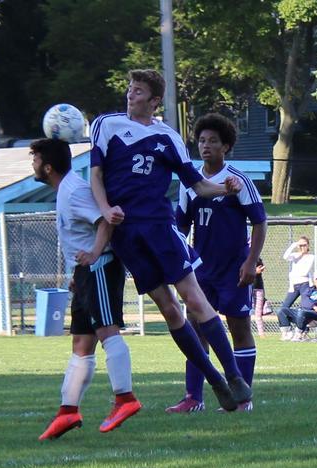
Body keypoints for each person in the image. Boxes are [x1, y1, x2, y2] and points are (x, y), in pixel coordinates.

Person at [90, 69, 252, 412]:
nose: (130, 95)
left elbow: (198, 186)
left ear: (154, 100)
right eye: (130, 89)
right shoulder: (106, 125)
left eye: (138, 91)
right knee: (169, 310)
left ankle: (234, 376)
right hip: (127, 234)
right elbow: (96, 175)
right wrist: (105, 208)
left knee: (193, 298)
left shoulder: (168, 137)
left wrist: (226, 189)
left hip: (161, 228)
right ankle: (215, 380)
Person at [30, 138, 141, 440]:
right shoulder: (65, 190)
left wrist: (93, 254)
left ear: (48, 167)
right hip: (85, 273)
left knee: (107, 331)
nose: (33, 165)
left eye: (35, 159)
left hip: (99, 267)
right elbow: (82, 232)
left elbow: (106, 222)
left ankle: (125, 398)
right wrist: (77, 273)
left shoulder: (75, 190)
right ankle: (68, 411)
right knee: (81, 341)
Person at [165, 112, 267, 413]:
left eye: (212, 141)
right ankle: (193, 398)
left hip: (234, 268)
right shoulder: (190, 183)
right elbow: (181, 226)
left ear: (226, 146)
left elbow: (260, 222)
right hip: (200, 271)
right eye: (201, 140)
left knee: (239, 327)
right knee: (196, 330)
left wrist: (250, 263)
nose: (205, 145)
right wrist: (180, 260)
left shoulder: (238, 181)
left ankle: (243, 399)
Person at [277, 269, 317, 341]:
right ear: (314, 281)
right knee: (281, 310)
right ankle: (287, 334)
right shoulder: (309, 290)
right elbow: (304, 301)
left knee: (302, 312)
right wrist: (314, 306)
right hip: (304, 313)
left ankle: (299, 334)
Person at [281, 236, 315, 307]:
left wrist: (292, 274)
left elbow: (304, 272)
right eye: (300, 245)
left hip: (305, 284)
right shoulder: (295, 255)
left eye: (304, 245)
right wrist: (294, 245)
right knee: (284, 307)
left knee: (306, 305)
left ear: (308, 245)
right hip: (294, 285)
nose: (302, 247)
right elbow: (285, 257)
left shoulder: (311, 257)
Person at [253, 258, 267, 338]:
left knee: (258, 312)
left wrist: (260, 269)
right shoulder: (243, 256)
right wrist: (255, 271)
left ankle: (261, 333)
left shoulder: (257, 258)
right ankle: (243, 331)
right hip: (246, 288)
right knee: (244, 311)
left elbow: (261, 267)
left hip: (258, 288)